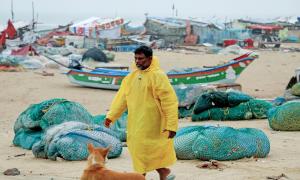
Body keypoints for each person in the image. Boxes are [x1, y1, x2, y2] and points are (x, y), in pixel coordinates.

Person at [104, 45, 178, 180]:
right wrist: (111, 116)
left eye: (141, 59)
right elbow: (121, 99)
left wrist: (171, 125)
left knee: (149, 151)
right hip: (135, 122)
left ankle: (140, 176)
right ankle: (163, 172)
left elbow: (170, 102)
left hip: (154, 123)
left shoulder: (158, 76)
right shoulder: (131, 77)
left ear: (150, 59)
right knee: (138, 150)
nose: (137, 61)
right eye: (136, 58)